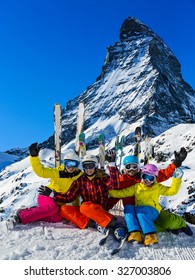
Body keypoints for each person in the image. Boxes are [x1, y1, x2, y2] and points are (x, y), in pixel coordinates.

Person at [108, 147, 192, 236]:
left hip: (152, 209)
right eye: (128, 167)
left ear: (138, 167)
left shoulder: (146, 176)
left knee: (168, 222)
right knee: (143, 226)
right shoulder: (121, 182)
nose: (131, 169)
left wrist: (176, 163)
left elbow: (164, 174)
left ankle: (181, 224)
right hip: (135, 213)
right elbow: (116, 195)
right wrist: (104, 211)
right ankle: (166, 229)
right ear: (124, 168)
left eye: (134, 166)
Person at [52, 151, 128, 241]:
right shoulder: (80, 180)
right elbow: (70, 197)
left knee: (84, 207)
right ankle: (96, 224)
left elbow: (114, 185)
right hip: (87, 211)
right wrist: (52, 195)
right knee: (64, 209)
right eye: (85, 166)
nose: (88, 169)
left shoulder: (102, 177)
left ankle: (115, 225)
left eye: (90, 166)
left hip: (100, 209)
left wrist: (112, 165)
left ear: (95, 166)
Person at [6, 142, 83, 229]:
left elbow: (76, 195)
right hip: (46, 195)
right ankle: (19, 216)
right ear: (64, 164)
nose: (71, 167)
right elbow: (41, 171)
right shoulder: (57, 173)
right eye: (68, 163)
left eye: (74, 164)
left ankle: (29, 211)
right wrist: (34, 156)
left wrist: (77, 209)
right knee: (52, 208)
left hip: (59, 200)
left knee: (57, 218)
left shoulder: (79, 177)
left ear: (77, 165)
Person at [109, 163, 184, 246]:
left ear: (155, 179)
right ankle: (135, 233)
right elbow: (123, 193)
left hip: (153, 212)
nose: (146, 180)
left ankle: (151, 235)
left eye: (150, 178)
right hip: (140, 212)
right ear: (141, 176)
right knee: (128, 208)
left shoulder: (157, 187)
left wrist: (177, 179)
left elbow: (172, 191)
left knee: (141, 210)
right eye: (145, 177)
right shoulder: (137, 187)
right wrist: (109, 191)